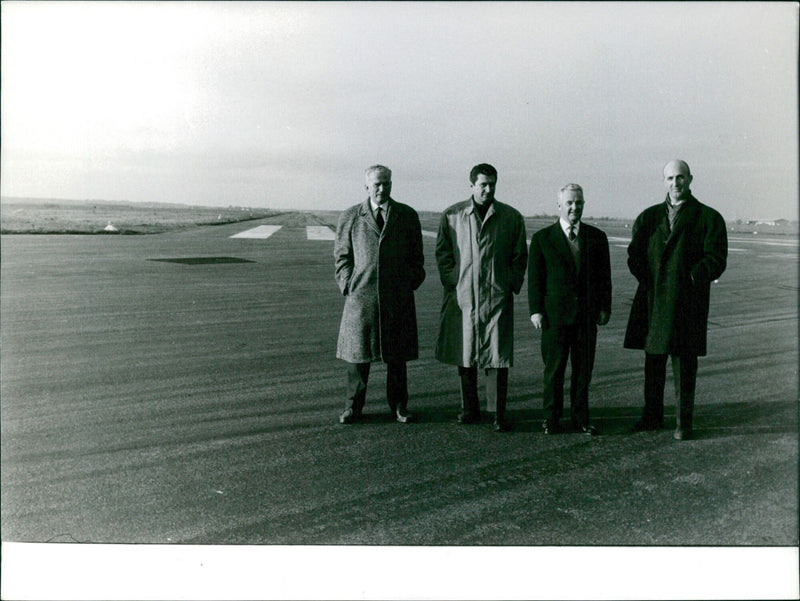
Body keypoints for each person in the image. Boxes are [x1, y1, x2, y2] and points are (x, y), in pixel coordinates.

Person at [624, 160, 727, 440]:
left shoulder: (708, 218)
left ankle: (684, 423)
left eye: (680, 177)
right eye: (670, 178)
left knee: (684, 366)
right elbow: (634, 255)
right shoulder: (648, 218)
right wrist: (651, 280)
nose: (675, 183)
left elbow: (716, 259)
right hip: (654, 302)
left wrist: (691, 278)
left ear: (690, 179)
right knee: (653, 362)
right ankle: (652, 416)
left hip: (686, 305)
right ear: (663, 181)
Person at [435, 163, 528, 432]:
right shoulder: (453, 215)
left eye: (492, 184)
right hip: (463, 298)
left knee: (497, 357)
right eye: (483, 184)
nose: (488, 189)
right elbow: (443, 254)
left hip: (496, 297)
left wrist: (509, 282)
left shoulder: (510, 217)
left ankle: (498, 412)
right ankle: (470, 409)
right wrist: (454, 279)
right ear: (472, 185)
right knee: (465, 355)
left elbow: (520, 256)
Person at [334, 165, 425, 424]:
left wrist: (408, 283)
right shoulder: (351, 216)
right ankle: (353, 407)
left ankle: (399, 407)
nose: (382, 188)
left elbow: (417, 258)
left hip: (397, 300)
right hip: (361, 299)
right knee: (357, 358)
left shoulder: (406, 216)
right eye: (377, 184)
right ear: (367, 187)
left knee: (397, 359)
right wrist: (348, 284)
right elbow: (342, 256)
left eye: (386, 183)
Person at [528, 184, 612, 435]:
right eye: (569, 203)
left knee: (583, 372)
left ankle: (580, 419)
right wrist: (536, 311)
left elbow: (604, 278)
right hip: (555, 318)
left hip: (586, 317)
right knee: (553, 371)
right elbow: (535, 279)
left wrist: (605, 307)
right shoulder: (543, 239)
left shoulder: (597, 238)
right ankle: (551, 419)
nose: (575, 207)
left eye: (579, 203)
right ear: (560, 206)